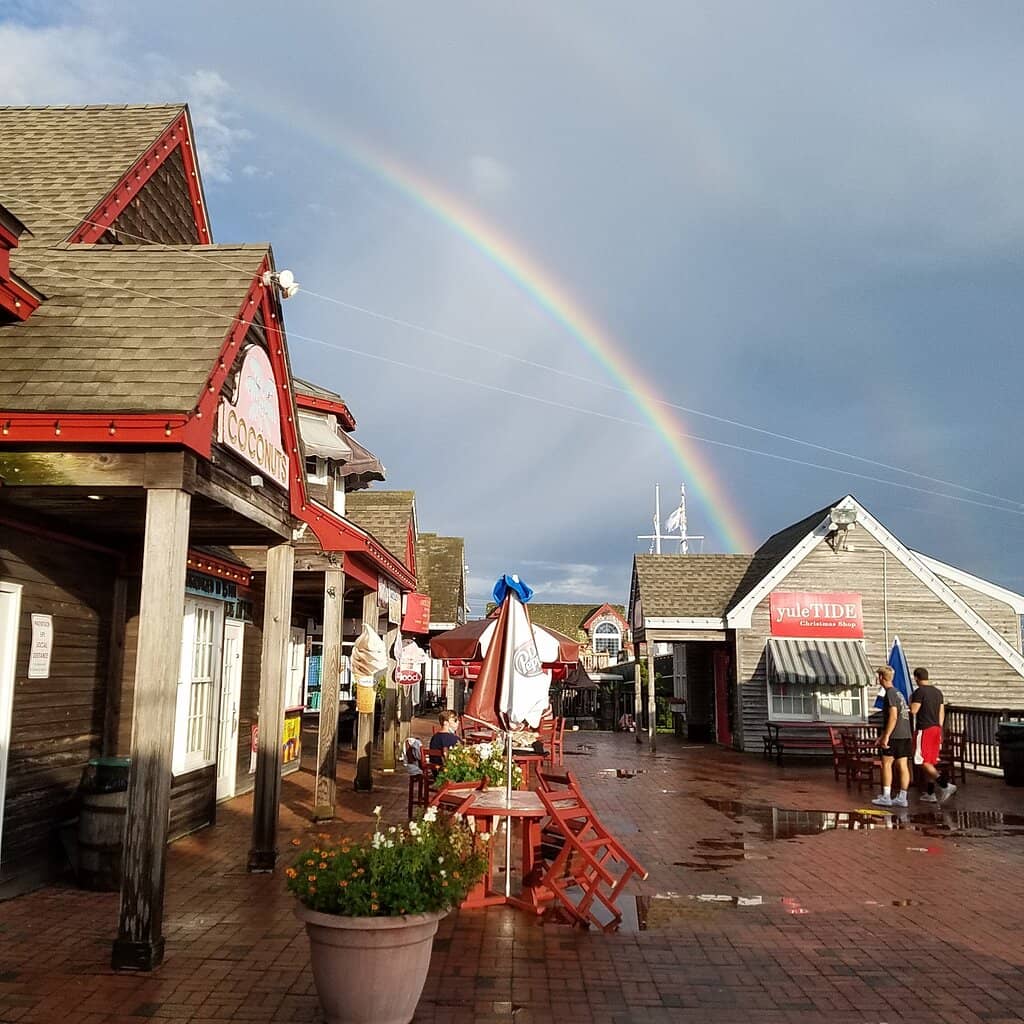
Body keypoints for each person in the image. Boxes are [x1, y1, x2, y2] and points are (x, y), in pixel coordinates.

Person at [910, 667, 956, 803]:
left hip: (924, 729)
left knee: (920, 760)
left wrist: (910, 700)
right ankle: (930, 793)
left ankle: (944, 784)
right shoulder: (938, 692)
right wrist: (939, 727)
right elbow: (941, 712)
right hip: (936, 728)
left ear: (916, 678)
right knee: (930, 761)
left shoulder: (919, 692)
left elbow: (914, 710)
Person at [873, 665, 912, 808]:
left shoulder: (889, 693)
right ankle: (903, 797)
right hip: (905, 733)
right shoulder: (898, 693)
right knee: (903, 764)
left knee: (887, 763)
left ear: (882, 678)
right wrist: (882, 734)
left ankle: (886, 795)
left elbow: (893, 716)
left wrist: (886, 736)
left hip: (894, 735)